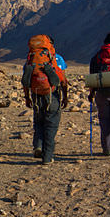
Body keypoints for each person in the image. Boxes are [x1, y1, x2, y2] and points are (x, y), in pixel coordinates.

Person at [22, 35, 69, 165]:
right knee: (51, 125)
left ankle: (38, 145)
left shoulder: (31, 60)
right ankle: (47, 157)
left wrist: (27, 98)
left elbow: (26, 81)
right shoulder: (56, 59)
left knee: (39, 122)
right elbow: (63, 80)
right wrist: (65, 97)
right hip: (52, 96)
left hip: (36, 95)